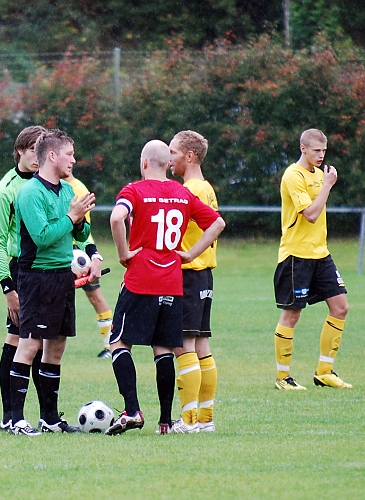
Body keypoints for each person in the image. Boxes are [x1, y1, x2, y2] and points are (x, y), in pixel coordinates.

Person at [106, 140, 225, 436]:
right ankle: (164, 422)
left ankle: (132, 410)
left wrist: (123, 253)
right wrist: (191, 253)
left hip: (140, 278)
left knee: (119, 343)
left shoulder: (134, 190)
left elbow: (116, 217)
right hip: (172, 281)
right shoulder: (182, 193)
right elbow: (218, 223)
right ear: (166, 165)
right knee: (163, 349)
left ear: (144, 163)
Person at [9, 129, 96, 435]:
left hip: (62, 278)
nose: (74, 159)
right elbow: (42, 237)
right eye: (70, 154)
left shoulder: (67, 191)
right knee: (29, 345)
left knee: (56, 348)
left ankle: (49, 418)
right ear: (52, 156)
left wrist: (81, 217)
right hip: (37, 278)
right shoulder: (30, 193)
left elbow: (79, 235)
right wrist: (72, 217)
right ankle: (17, 419)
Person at [273, 128, 351, 390]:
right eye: (316, 150)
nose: (321, 156)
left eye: (324, 151)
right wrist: (328, 185)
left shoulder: (320, 174)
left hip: (321, 254)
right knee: (292, 315)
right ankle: (283, 378)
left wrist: (324, 182)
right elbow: (311, 214)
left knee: (340, 307)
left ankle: (324, 371)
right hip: (297, 255)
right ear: (303, 148)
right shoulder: (293, 176)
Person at [0, 125, 47, 432]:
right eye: (32, 150)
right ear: (21, 151)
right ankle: (10, 416)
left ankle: (47, 416)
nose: (38, 157)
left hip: (47, 268)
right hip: (19, 269)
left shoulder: (49, 183)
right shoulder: (7, 190)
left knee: (41, 341)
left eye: (42, 150)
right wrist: (7, 286)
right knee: (18, 340)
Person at [168, 130, 220, 433]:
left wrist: (188, 254)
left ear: (189, 156)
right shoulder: (206, 187)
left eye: (174, 152)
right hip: (205, 275)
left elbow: (214, 225)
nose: (170, 157)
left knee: (184, 346)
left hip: (189, 275)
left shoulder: (192, 190)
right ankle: (205, 419)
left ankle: (188, 421)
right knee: (202, 346)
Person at [62, 171, 113, 358]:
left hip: (78, 255)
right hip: (59, 253)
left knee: (95, 296)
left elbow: (82, 228)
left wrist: (92, 255)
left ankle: (111, 346)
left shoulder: (78, 188)